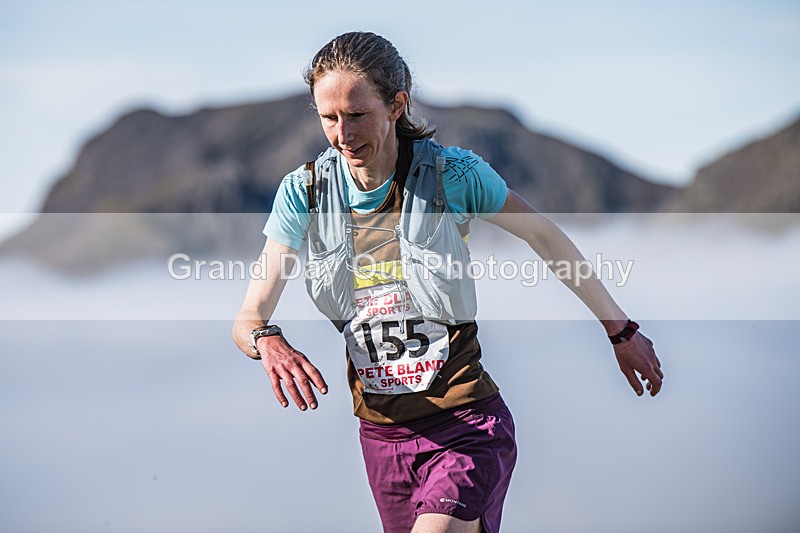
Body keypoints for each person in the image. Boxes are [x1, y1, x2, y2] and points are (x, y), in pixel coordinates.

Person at [233, 31, 663, 533]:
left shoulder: (452, 175)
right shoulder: (304, 193)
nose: (342, 134)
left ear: (397, 105)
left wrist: (620, 330)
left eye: (357, 115)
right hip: (382, 441)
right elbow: (248, 319)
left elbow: (544, 236)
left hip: (467, 426)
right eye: (329, 118)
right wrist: (268, 341)